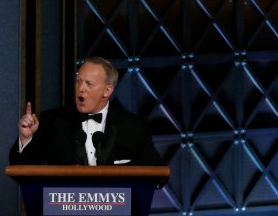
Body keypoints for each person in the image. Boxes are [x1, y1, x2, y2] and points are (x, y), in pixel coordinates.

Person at [9, 56, 164, 167]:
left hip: (116, 211)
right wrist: (25, 138)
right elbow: (22, 169)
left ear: (107, 90)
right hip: (63, 210)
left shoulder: (133, 126)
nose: (80, 89)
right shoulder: (53, 120)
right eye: (79, 81)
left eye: (89, 84)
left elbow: (157, 174)